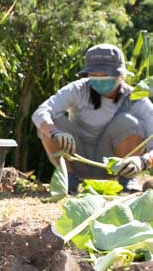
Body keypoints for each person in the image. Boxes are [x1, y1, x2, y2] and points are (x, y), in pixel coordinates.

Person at [32, 43, 153, 193]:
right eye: (95, 75)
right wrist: (54, 132)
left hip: (115, 166)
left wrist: (143, 161)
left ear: (121, 75)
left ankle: (128, 180)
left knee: (129, 122)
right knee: (50, 122)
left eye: (106, 75)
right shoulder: (77, 89)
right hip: (76, 157)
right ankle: (69, 178)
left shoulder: (135, 98)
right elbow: (41, 112)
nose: (100, 79)